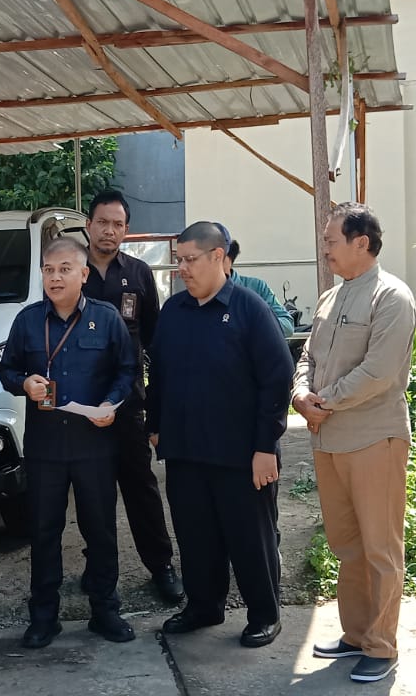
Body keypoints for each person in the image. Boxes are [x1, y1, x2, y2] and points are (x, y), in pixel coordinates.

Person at [149, 221, 292, 648]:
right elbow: (158, 374)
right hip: (187, 451)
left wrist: (266, 446)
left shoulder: (249, 308)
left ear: (218, 257)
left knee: (251, 538)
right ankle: (203, 606)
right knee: (195, 537)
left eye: (190, 260)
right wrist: (154, 426)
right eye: (179, 261)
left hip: (242, 454)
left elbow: (277, 377)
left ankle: (265, 613)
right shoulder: (174, 312)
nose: (183, 270)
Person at [292, 204, 416, 683]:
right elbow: (307, 354)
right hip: (329, 438)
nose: (325, 248)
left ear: (361, 242)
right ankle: (356, 635)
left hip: (373, 438)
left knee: (380, 546)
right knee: (347, 545)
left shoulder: (392, 297)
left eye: (331, 240)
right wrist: (301, 393)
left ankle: (382, 647)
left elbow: (379, 372)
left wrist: (324, 400)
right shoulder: (330, 298)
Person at [0, 237, 138, 649]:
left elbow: (127, 370)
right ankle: (44, 616)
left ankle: (105, 611)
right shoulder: (27, 320)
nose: (54, 277)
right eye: (48, 270)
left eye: (63, 269)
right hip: (45, 449)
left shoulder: (106, 318)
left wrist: (112, 402)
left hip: (94, 444)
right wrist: (23, 382)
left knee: (101, 531)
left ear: (83, 274)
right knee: (43, 532)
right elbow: (7, 369)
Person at [81, 189, 182, 604]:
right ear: (88, 225)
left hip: (128, 406)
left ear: (126, 229)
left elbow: (156, 344)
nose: (110, 231)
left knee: (141, 488)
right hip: (82, 407)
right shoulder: (70, 268)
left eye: (118, 224)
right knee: (92, 493)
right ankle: (97, 567)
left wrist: (158, 412)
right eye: (102, 222)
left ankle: (162, 566)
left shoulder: (139, 274)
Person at [225, 239, 296, 337]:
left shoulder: (257, 287)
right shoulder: (198, 291)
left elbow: (287, 326)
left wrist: (251, 324)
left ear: (227, 259)